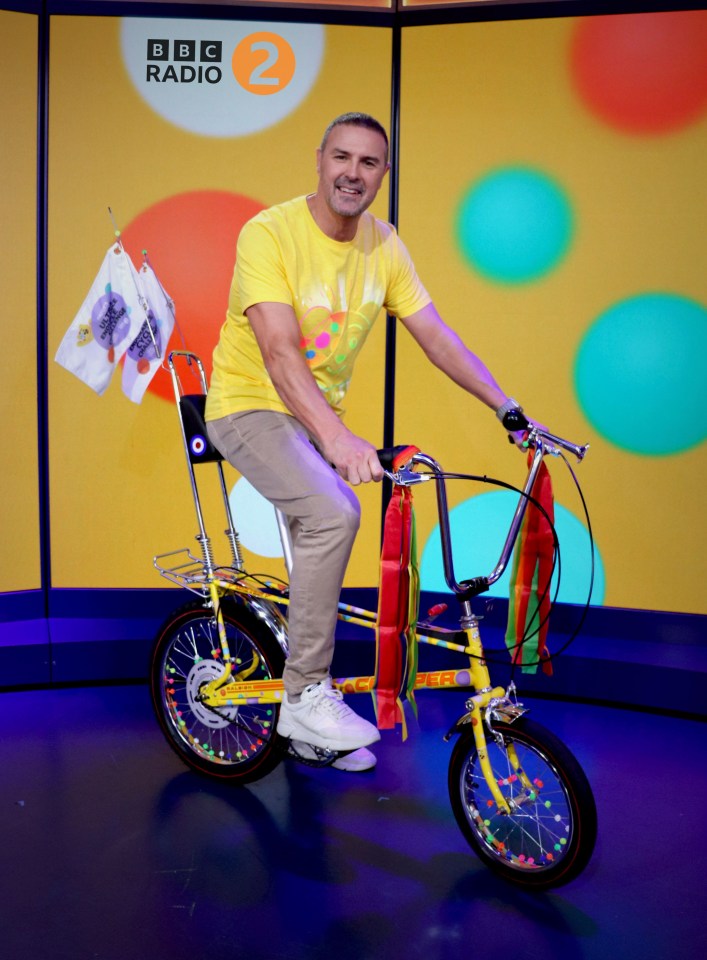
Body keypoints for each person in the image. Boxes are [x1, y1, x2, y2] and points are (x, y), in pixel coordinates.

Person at [205, 112, 529, 772]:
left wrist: (509, 409)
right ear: (319, 160)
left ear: (383, 174)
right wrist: (337, 438)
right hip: (249, 406)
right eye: (342, 158)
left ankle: (305, 731)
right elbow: (277, 350)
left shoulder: (384, 245)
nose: (352, 173)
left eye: (369, 162)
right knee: (334, 512)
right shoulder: (269, 232)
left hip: (312, 419)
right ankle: (303, 696)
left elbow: (436, 335)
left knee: (325, 534)